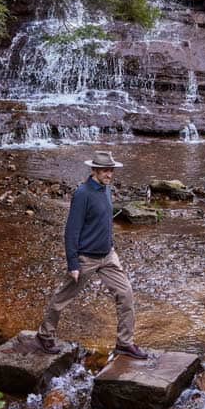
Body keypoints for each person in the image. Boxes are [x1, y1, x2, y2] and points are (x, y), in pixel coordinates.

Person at [36, 150, 149, 360]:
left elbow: (105, 220)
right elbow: (71, 231)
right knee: (62, 298)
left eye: (111, 170)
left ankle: (124, 343)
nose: (109, 174)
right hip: (85, 258)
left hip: (108, 256)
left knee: (126, 295)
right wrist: (73, 264)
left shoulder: (106, 189)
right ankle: (44, 335)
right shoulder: (82, 194)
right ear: (94, 170)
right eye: (105, 170)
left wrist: (111, 245)